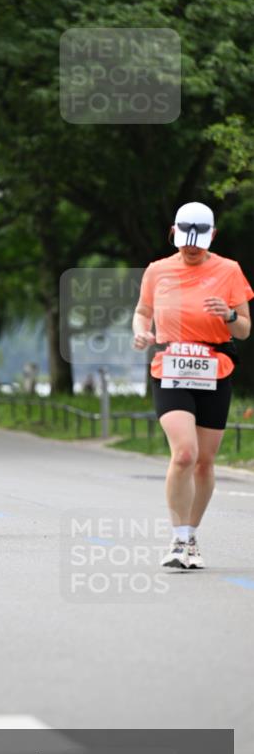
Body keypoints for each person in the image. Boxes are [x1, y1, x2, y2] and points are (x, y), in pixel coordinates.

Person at [133, 201, 252, 569]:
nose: (191, 248)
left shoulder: (229, 270)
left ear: (212, 236)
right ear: (174, 234)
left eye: (199, 243)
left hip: (215, 369)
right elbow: (142, 312)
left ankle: (192, 534)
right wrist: (142, 333)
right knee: (184, 453)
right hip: (169, 367)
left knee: (204, 462)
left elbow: (244, 330)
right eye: (185, 241)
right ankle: (178, 539)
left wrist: (230, 315)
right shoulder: (157, 270)